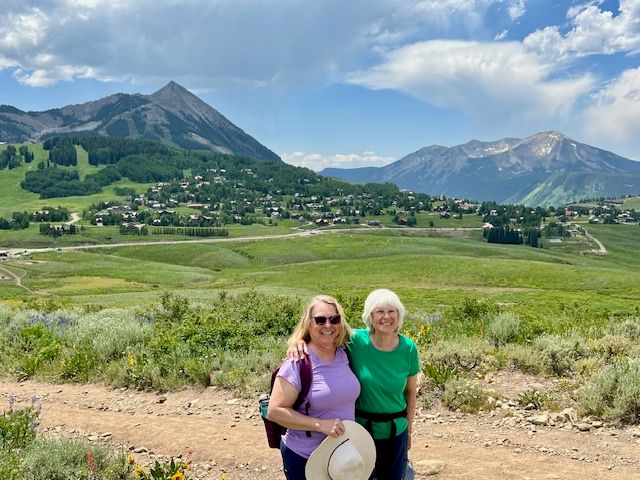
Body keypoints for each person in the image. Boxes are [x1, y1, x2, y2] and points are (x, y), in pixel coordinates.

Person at [290, 289, 420, 480]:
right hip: (359, 431)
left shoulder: (408, 348)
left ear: (399, 315)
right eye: (379, 311)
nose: (386, 317)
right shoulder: (355, 341)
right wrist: (298, 341)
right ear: (370, 316)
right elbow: (324, 335)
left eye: (392, 311)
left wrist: (409, 430)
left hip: (396, 430)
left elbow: (410, 393)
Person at [268, 295, 362, 480]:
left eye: (334, 319)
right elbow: (275, 411)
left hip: (342, 457)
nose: (328, 325)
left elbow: (376, 330)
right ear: (308, 323)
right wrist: (319, 425)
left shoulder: (344, 353)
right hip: (305, 457)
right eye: (320, 320)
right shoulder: (298, 362)